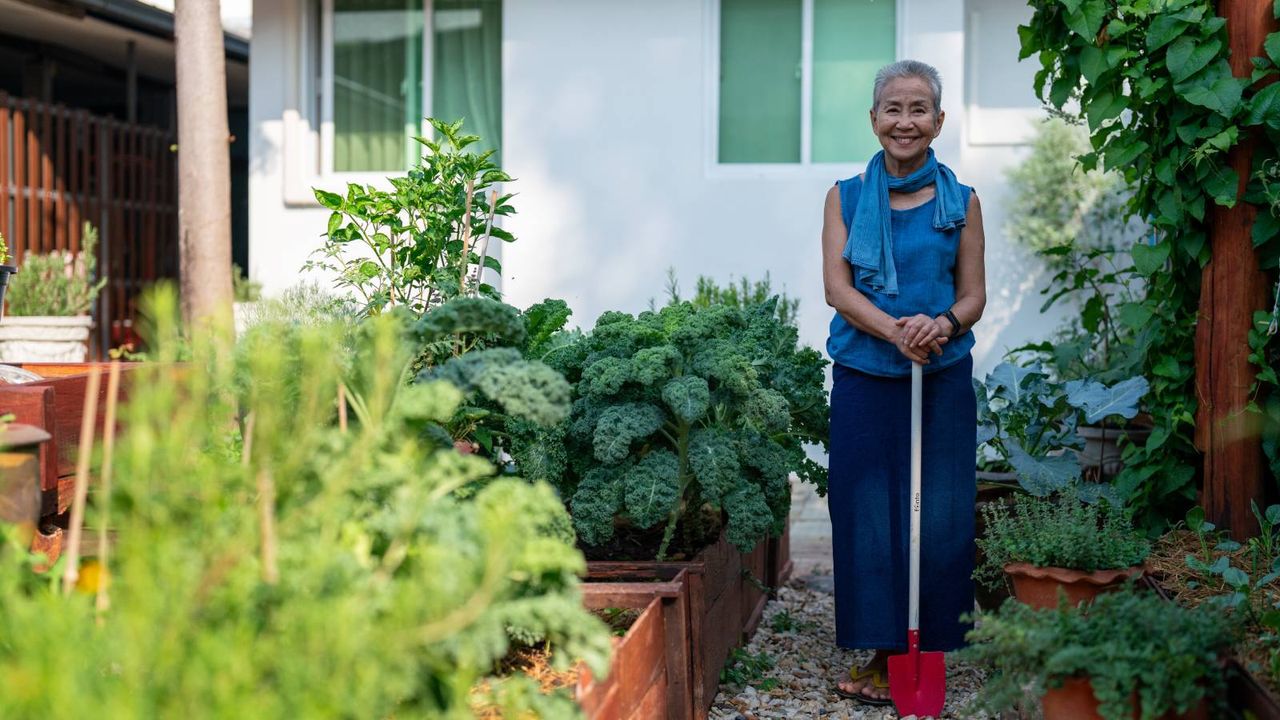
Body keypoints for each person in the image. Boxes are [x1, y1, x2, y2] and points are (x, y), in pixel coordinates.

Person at [820, 59, 986, 706]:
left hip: (941, 374)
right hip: (866, 374)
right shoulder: (845, 197)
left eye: (919, 109)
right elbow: (838, 288)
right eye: (893, 108)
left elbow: (972, 296)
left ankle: (929, 643)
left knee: (940, 510)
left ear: (938, 121)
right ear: (873, 119)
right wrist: (897, 332)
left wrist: (939, 324)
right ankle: (880, 647)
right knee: (866, 511)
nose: (905, 121)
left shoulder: (963, 202)